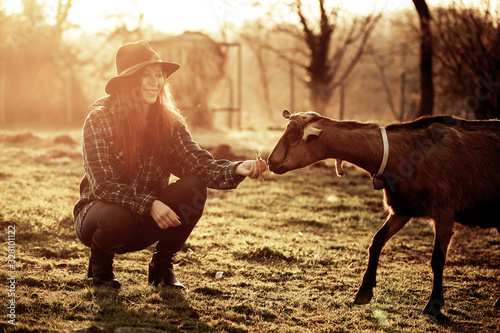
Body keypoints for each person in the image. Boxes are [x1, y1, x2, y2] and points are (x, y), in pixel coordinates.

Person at [73, 40, 266, 290]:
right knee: (117, 216)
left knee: (194, 187)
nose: (155, 81)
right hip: (101, 218)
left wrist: (236, 168)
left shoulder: (169, 122)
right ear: (128, 81)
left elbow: (196, 162)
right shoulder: (99, 119)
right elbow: (103, 185)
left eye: (159, 75)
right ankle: (101, 271)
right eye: (146, 75)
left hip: (144, 220)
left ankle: (162, 267)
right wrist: (150, 203)